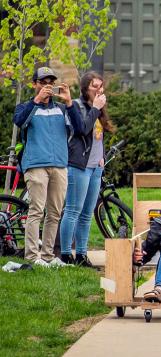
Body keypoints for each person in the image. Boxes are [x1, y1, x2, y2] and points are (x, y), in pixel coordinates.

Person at [12, 67, 83, 266]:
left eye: (50, 82)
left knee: (55, 212)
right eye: (42, 82)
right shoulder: (26, 107)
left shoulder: (61, 109)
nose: (47, 86)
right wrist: (36, 101)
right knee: (36, 211)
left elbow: (79, 129)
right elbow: (19, 121)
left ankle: (48, 256)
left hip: (60, 164)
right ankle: (32, 257)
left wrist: (69, 102)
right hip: (35, 165)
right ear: (34, 84)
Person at [58, 71, 115, 267]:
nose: (99, 90)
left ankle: (81, 254)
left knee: (87, 213)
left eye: (101, 86)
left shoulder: (97, 108)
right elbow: (82, 129)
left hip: (94, 168)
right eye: (94, 86)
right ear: (85, 89)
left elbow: (98, 137)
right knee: (73, 210)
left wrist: (102, 157)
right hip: (78, 166)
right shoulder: (76, 106)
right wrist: (96, 109)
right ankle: (65, 254)